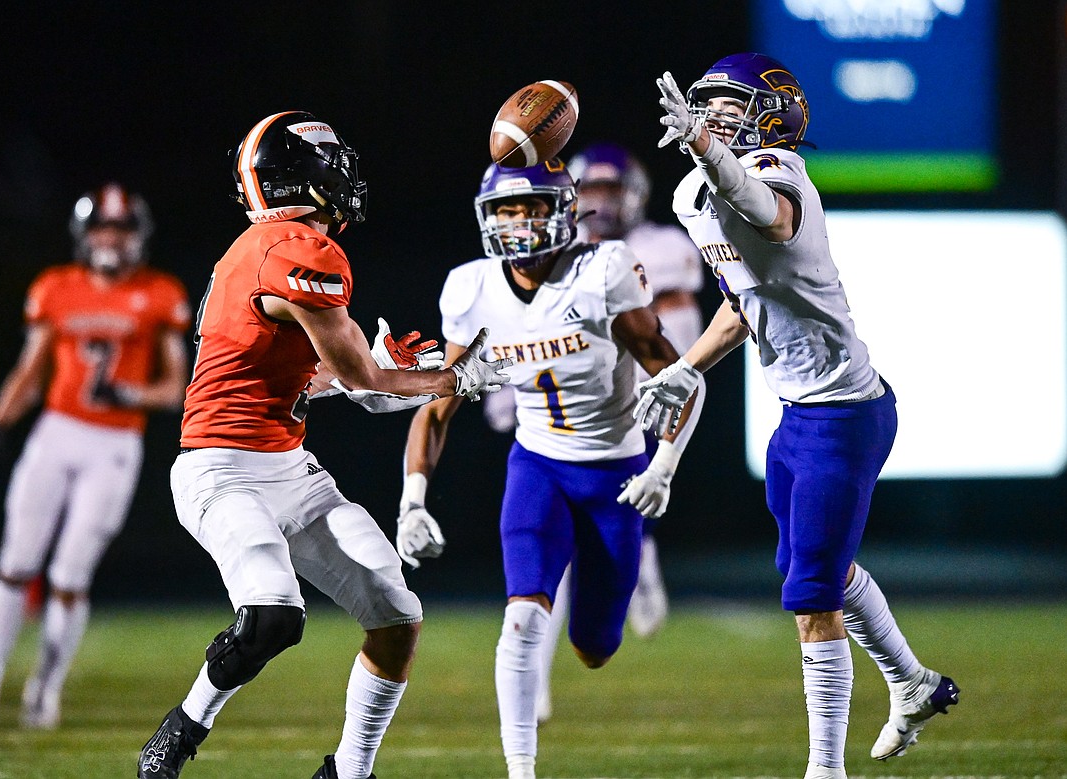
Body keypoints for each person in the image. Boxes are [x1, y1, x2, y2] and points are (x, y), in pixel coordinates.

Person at [135, 111, 510, 779]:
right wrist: (455, 377)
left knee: (396, 614)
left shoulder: (256, 250)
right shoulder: (298, 251)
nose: (344, 179)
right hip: (222, 472)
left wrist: (370, 377)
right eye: (332, 166)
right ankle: (184, 728)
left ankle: (349, 773)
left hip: (289, 468)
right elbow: (367, 378)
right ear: (304, 176)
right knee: (274, 615)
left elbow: (317, 375)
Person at [637, 53, 960, 778]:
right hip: (798, 413)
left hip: (843, 413)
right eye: (708, 107)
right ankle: (912, 683)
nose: (716, 118)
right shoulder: (697, 192)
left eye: (731, 107)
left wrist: (705, 145)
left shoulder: (781, 172)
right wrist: (685, 367)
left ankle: (824, 769)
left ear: (774, 113)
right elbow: (742, 302)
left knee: (811, 595)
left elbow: (769, 216)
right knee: (820, 570)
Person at [395, 157, 702, 779]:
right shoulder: (472, 288)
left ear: (562, 212)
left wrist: (664, 463)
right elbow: (440, 403)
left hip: (616, 473)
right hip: (537, 468)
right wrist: (412, 498)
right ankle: (521, 771)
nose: (517, 222)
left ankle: (628, 576)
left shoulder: (604, 273)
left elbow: (681, 379)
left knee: (594, 646)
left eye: (531, 207)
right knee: (522, 616)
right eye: (506, 210)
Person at [0, 183, 192, 729]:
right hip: (55, 434)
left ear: (138, 238)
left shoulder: (160, 292)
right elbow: (31, 369)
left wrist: (127, 394)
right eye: (103, 229)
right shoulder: (56, 287)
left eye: (122, 230)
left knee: (70, 573)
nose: (111, 240)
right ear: (85, 236)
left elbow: (174, 388)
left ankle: (43, 691)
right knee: (15, 562)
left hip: (114, 444)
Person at [526, 142, 708, 722]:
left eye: (611, 191)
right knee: (554, 550)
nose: (601, 204)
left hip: (632, 405)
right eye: (593, 191)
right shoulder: (553, 250)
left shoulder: (664, 248)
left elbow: (677, 331)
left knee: (595, 532)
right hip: (566, 408)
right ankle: (534, 681)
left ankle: (642, 555)